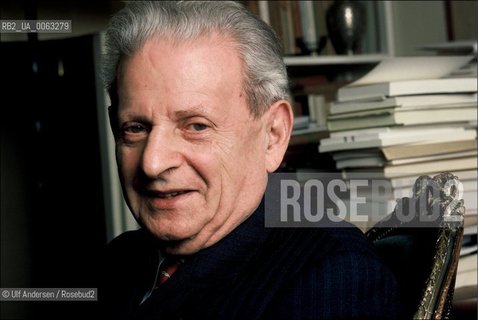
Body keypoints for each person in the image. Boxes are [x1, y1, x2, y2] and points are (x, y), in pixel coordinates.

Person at [99, 1, 401, 319]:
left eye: (195, 126)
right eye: (135, 128)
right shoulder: (120, 259)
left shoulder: (332, 275)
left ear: (273, 135)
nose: (153, 163)